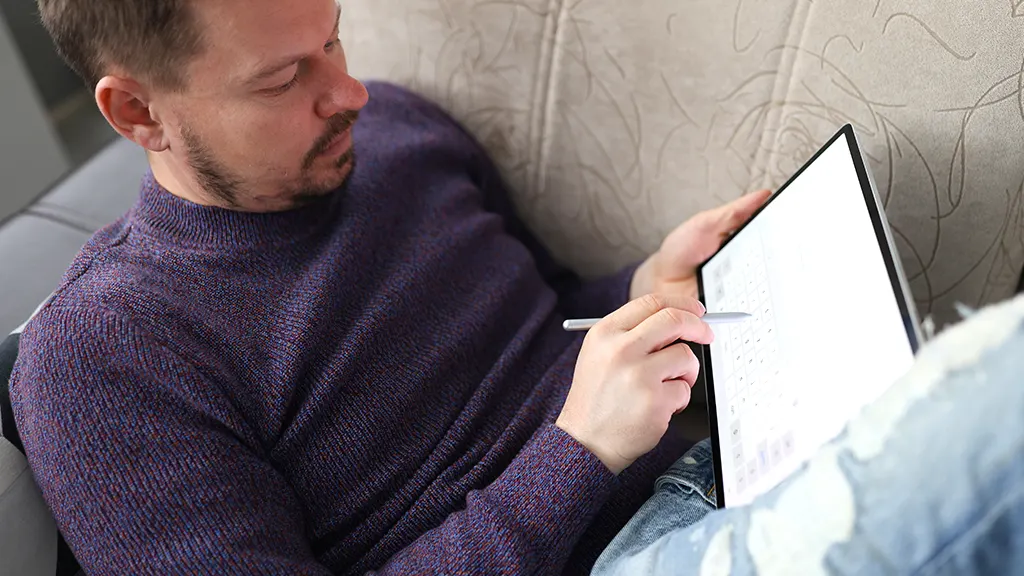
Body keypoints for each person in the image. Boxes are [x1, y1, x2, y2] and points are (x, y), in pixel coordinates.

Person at [11, 0, 770, 573]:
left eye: (333, 37)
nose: (350, 93)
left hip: (727, 468)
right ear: (139, 112)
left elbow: (546, 321)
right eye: (282, 78)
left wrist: (643, 288)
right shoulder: (101, 360)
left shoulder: (403, 130)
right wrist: (579, 453)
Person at [592, 294, 1024, 575]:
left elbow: (546, 306)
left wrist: (633, 294)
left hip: (709, 464)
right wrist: (583, 446)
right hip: (604, 547)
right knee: (984, 413)